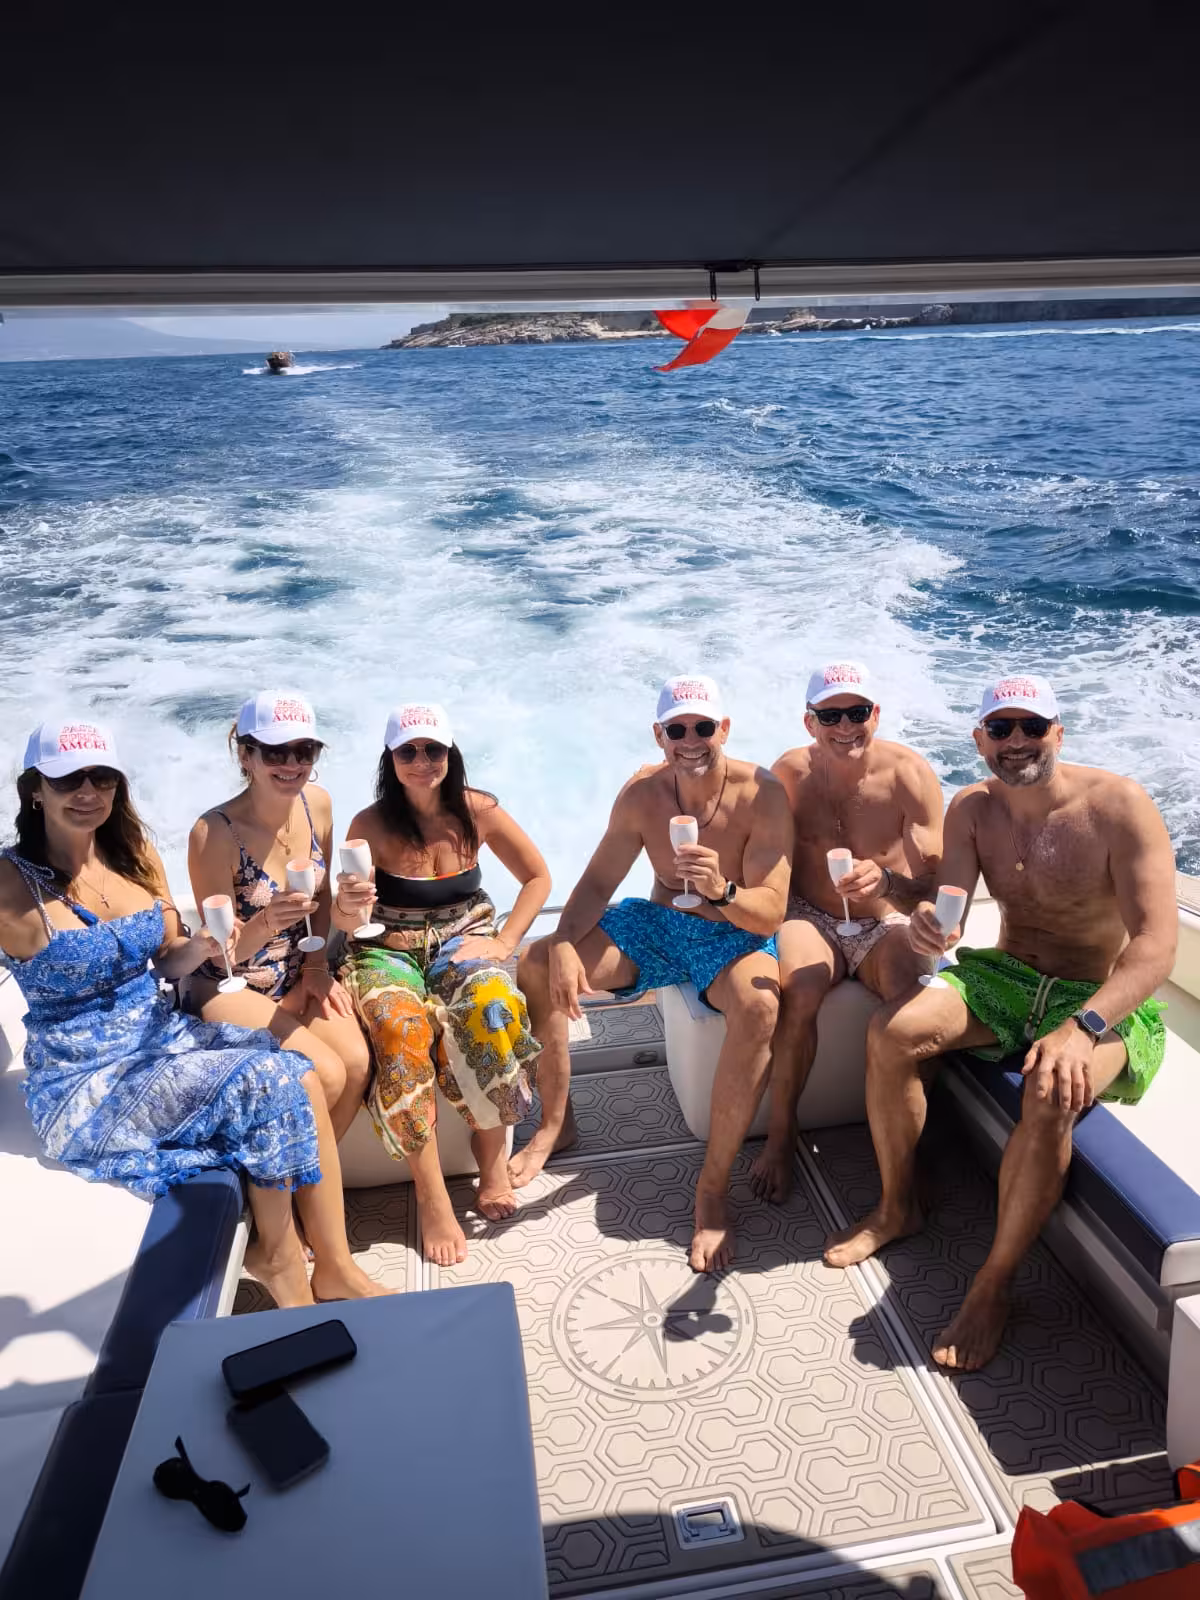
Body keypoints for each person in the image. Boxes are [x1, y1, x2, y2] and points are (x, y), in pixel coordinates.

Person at [824, 673, 1177, 1371]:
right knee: (892, 1034)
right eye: (1001, 729)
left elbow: (1156, 947)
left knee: (1053, 1090)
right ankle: (899, 1205)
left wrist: (1086, 1027)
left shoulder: (1119, 806)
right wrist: (914, 911)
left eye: (1031, 727)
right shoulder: (973, 808)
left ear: (1058, 733)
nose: (1017, 743)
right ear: (980, 740)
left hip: (1096, 992)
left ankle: (994, 1283)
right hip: (1009, 976)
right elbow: (947, 905)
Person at [0, 718, 384, 1310]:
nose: (87, 791)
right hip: (88, 1075)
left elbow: (171, 963)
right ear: (35, 789)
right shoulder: (9, 881)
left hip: (160, 1035)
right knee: (267, 1079)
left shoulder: (133, 855)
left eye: (101, 777)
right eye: (67, 778)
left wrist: (204, 946)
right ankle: (281, 1264)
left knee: (304, 1072)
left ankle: (334, 1265)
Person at [516, 674, 792, 1273]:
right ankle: (556, 1123)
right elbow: (595, 884)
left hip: (734, 933)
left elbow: (770, 909)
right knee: (537, 961)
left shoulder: (762, 793)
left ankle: (712, 1191)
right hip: (662, 926)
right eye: (677, 730)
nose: (690, 740)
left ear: (725, 729)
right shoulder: (642, 795)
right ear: (659, 736)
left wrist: (722, 888)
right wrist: (564, 940)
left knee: (761, 1007)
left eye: (702, 728)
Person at [331, 702, 549, 1267]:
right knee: (399, 1028)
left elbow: (538, 876)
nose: (423, 761)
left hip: (467, 936)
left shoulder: (479, 811)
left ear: (451, 754)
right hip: (387, 949)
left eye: (434, 749)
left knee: (493, 1005)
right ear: (391, 758)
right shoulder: (369, 825)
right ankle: (430, 1195)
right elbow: (349, 923)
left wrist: (504, 945)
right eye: (408, 751)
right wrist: (349, 908)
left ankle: (492, 1156)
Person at [751, 661, 944, 1202]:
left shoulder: (909, 774)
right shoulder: (788, 773)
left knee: (911, 1001)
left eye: (856, 713)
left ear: (875, 715)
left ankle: (909, 1145)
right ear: (809, 721)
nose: (845, 726)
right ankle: (782, 1134)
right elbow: (760, 849)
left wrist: (887, 882)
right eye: (830, 715)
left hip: (884, 916)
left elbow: (937, 881)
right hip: (810, 913)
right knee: (801, 989)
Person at [187, 691, 369, 1141]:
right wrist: (267, 922)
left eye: (304, 750)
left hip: (298, 971)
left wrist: (315, 967)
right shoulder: (213, 834)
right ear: (246, 755)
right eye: (275, 751)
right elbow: (220, 956)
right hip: (232, 985)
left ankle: (310, 1191)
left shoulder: (318, 805)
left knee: (357, 1063)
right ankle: (294, 1197)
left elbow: (324, 903)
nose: (292, 763)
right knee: (325, 1073)